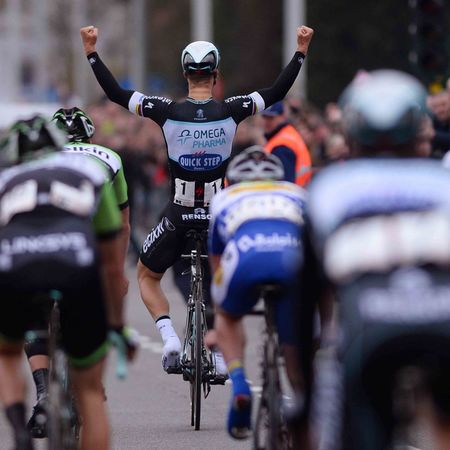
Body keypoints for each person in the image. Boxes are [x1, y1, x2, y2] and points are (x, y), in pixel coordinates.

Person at [79, 23, 314, 373]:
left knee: (146, 275)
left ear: (185, 74)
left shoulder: (166, 110)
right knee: (225, 280)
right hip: (218, 213)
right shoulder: (233, 109)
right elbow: (277, 91)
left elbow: (116, 93)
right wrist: (300, 51)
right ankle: (219, 357)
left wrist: (92, 52)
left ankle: (170, 339)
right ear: (215, 76)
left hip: (179, 211)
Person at [298, 70, 450, 450]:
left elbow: (304, 302)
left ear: (351, 134)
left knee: (362, 424)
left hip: (370, 330)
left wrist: (304, 404)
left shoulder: (328, 186)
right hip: (443, 319)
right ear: (420, 131)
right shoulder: (443, 179)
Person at [0, 116, 133, 450]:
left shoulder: (6, 180)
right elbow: (112, 262)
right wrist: (117, 325)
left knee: (7, 352)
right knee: (90, 391)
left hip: (19, 265)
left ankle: (19, 430)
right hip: (75, 264)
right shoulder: (89, 175)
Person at [208, 146, 306, 439]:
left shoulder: (224, 197)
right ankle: (302, 400)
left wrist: (218, 316)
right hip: (292, 261)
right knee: (300, 344)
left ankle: (239, 383)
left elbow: (217, 260)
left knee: (228, 316)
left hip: (245, 258)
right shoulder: (297, 194)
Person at [261, 100, 312, 186]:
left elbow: (285, 182)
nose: (267, 122)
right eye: (264, 117)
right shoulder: (287, 134)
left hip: (290, 192)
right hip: (299, 190)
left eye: (271, 118)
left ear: (282, 117)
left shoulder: (281, 145)